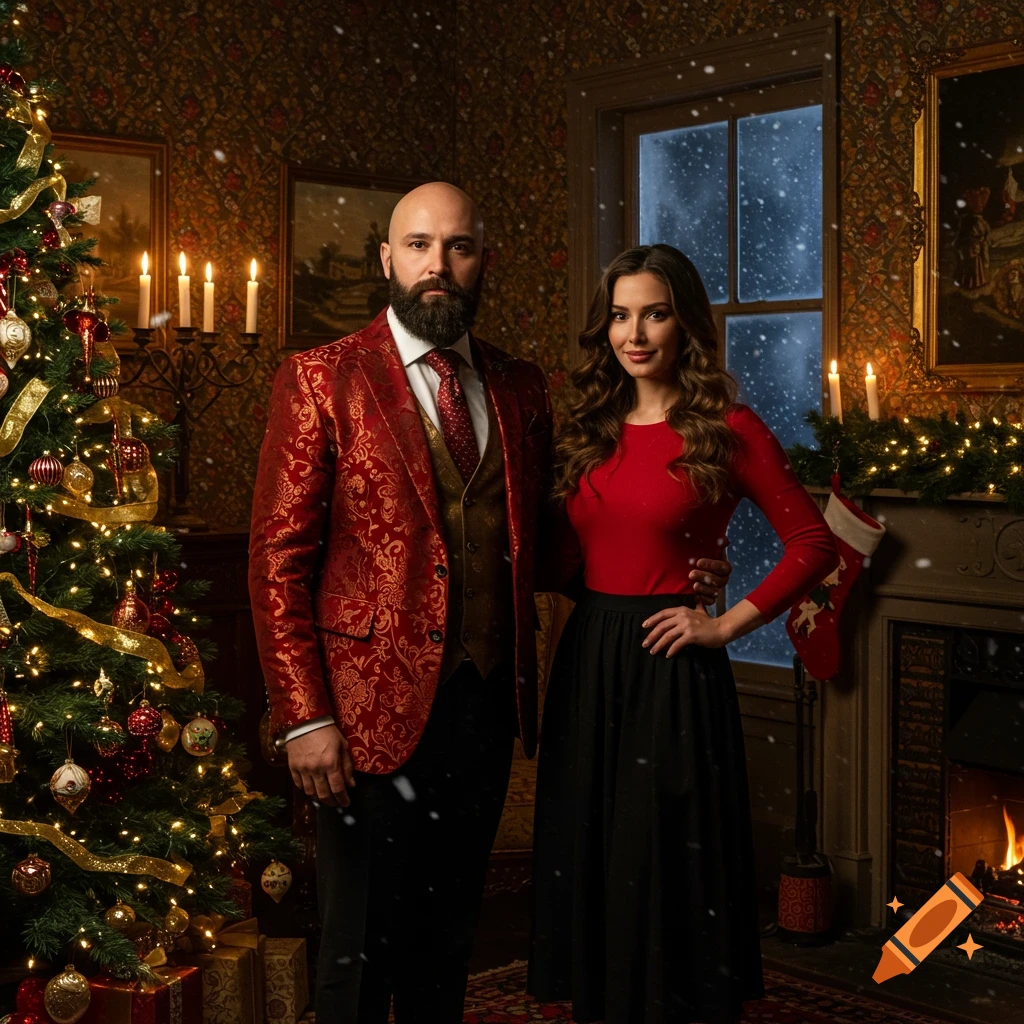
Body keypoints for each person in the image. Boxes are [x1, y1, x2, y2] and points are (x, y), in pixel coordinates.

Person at [248, 183, 734, 1023]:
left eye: (459, 247)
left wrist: (676, 569)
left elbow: (547, 542)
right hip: (361, 719)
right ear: (386, 260)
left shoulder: (518, 384)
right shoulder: (321, 379)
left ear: (483, 262)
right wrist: (304, 717)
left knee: (447, 946)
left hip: (482, 708)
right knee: (358, 953)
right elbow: (276, 563)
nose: (439, 265)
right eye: (419, 245)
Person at [528, 243, 839, 1024]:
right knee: (595, 854)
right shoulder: (588, 429)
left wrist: (725, 622)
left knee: (659, 862)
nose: (635, 334)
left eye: (655, 314)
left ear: (685, 324)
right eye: (621, 316)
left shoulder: (725, 427)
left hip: (671, 664)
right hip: (589, 656)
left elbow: (815, 543)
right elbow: (567, 557)